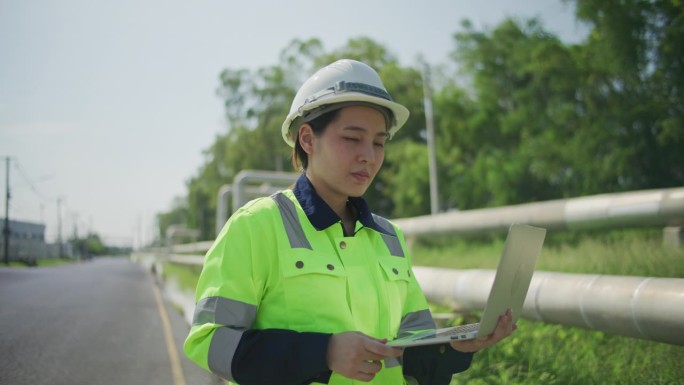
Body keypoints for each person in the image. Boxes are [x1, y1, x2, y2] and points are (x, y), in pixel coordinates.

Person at [183, 59, 516, 385]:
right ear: (308, 139)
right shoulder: (256, 226)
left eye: (379, 142)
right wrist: (323, 353)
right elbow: (210, 341)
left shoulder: (390, 237)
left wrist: (455, 348)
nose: (368, 156)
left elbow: (413, 353)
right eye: (352, 138)